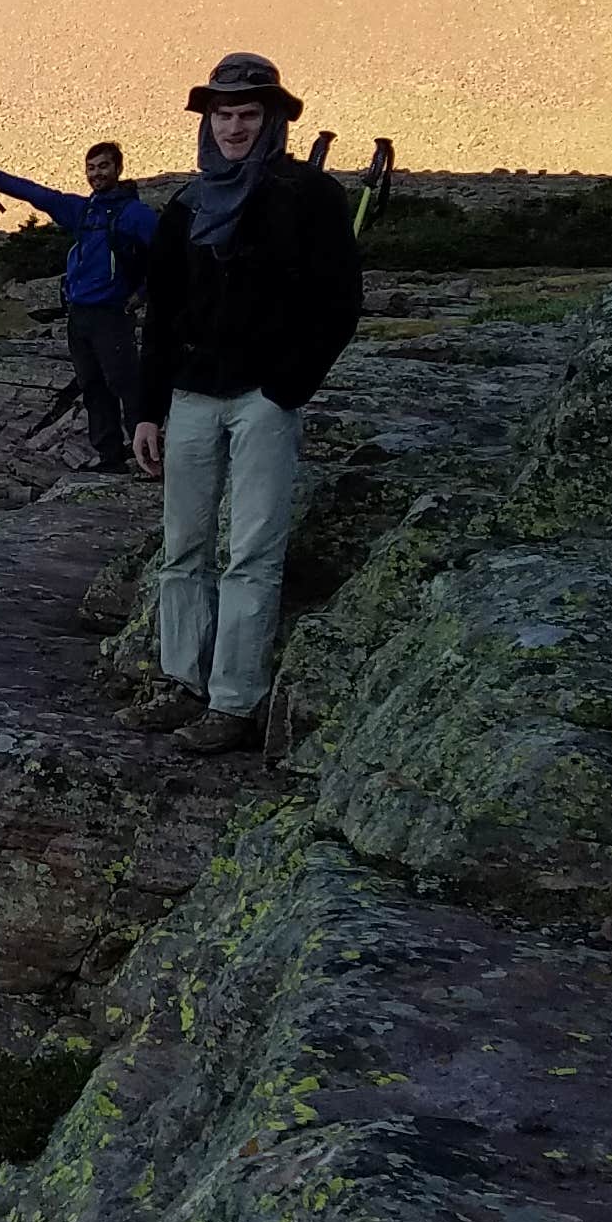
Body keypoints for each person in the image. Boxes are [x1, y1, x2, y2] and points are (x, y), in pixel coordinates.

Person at [128, 49, 363, 756]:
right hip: (192, 397)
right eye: (223, 115)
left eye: (247, 115)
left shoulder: (311, 197)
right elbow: (161, 314)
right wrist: (148, 409)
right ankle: (181, 682)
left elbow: (339, 304)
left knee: (252, 553)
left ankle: (233, 701)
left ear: (273, 120)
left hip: (264, 400)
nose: (233, 128)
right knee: (183, 548)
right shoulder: (187, 206)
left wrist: (286, 388)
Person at [0, 138, 158, 470]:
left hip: (112, 314)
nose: (96, 174)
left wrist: (141, 294)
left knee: (126, 384)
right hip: (78, 314)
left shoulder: (136, 215)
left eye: (103, 166)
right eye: (90, 168)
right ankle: (110, 458)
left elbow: (168, 258)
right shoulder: (82, 210)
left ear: (119, 168)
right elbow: (35, 194)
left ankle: (148, 458)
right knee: (93, 386)